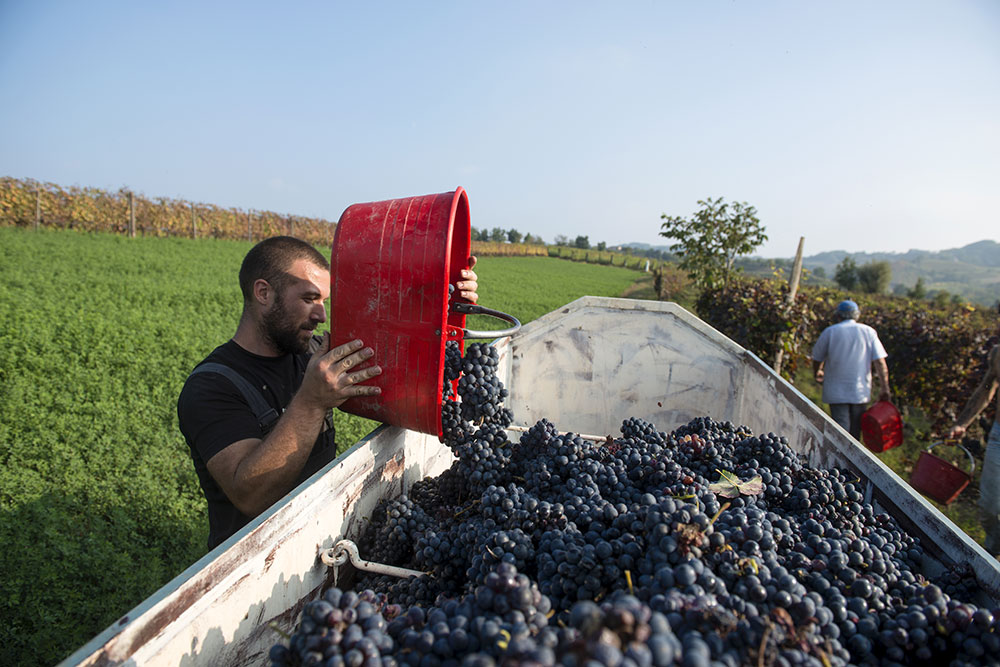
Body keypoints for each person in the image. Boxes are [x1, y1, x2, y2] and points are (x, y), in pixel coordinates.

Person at [177, 236, 479, 549]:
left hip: (319, 540)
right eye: (309, 298)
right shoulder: (212, 386)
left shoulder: (310, 354)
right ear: (264, 293)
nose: (322, 315)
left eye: (324, 301)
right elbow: (250, 495)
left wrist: (446, 308)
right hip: (255, 564)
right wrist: (310, 403)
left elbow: (403, 367)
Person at [946, 311, 1000, 558]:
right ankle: (993, 549)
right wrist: (962, 423)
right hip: (999, 435)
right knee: (989, 505)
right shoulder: (998, 354)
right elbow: (985, 391)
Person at [811, 299, 891, 439]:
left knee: (841, 432)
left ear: (838, 315)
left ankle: (839, 460)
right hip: (859, 392)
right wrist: (885, 388)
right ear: (857, 315)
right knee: (855, 433)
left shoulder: (830, 332)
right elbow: (880, 362)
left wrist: (817, 371)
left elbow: (817, 357)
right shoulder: (869, 332)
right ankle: (850, 460)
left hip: (836, 392)